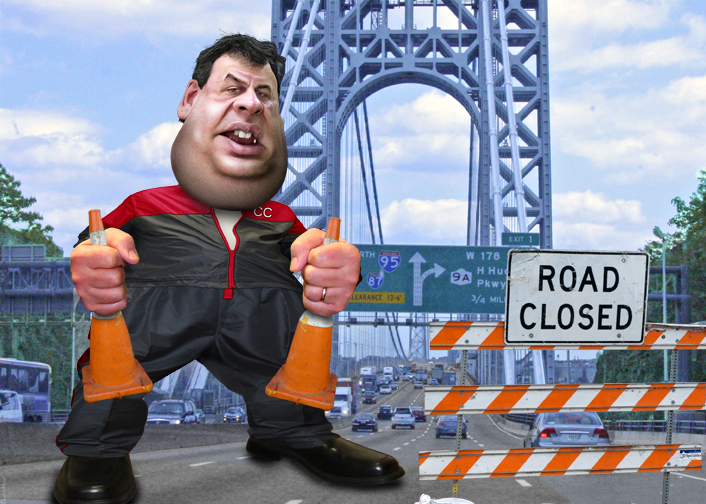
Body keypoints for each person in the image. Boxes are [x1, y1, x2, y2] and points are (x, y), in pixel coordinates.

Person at [53, 34, 404, 504]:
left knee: (287, 355)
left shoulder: (278, 217)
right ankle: (97, 451)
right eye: (232, 89)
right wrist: (96, 251)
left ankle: (294, 432)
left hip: (251, 322)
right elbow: (99, 239)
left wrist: (338, 267)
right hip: (162, 317)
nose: (251, 105)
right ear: (191, 100)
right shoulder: (146, 205)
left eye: (265, 96)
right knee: (116, 363)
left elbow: (312, 253)